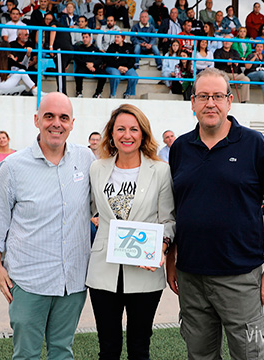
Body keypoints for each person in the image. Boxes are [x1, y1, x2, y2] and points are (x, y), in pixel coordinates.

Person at [166, 67, 264, 359]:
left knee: (250, 355)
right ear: (192, 102)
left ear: (230, 101)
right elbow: (175, 209)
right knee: (200, 355)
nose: (210, 103)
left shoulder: (254, 143)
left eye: (218, 96)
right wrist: (172, 260)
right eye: (203, 96)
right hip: (191, 276)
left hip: (240, 276)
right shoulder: (180, 147)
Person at [0, 93, 94, 359]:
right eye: (49, 116)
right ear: (36, 120)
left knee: (62, 352)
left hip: (73, 282)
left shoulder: (87, 159)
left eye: (63, 118)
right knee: (27, 355)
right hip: (28, 281)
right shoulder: (12, 167)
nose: (56, 123)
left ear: (72, 123)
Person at [86, 104, 174, 359]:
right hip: (103, 271)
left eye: (134, 129)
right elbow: (93, 209)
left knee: (139, 348)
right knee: (108, 348)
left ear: (143, 134)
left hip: (145, 272)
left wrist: (162, 247)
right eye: (120, 129)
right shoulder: (97, 168)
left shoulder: (160, 171)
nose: (127, 135)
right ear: (111, 134)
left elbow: (168, 219)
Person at [214, 35, 251, 103]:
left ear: (231, 43)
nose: (227, 42)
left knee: (246, 79)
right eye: (225, 40)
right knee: (225, 80)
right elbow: (217, 61)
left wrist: (234, 60)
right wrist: (227, 62)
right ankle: (225, 100)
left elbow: (239, 59)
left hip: (235, 74)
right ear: (222, 42)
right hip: (223, 73)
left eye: (229, 41)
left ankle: (243, 101)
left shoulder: (234, 52)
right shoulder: (218, 51)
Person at [73, 33, 107, 98]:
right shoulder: (79, 49)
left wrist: (93, 64)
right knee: (78, 72)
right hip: (83, 67)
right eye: (83, 37)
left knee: (103, 74)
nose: (85, 39)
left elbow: (100, 59)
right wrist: (86, 64)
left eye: (86, 37)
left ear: (90, 38)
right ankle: (79, 92)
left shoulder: (95, 49)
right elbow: (77, 59)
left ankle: (98, 93)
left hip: (93, 68)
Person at [106, 35, 138, 99]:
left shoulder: (129, 46)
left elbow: (132, 59)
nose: (116, 39)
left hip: (126, 67)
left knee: (134, 76)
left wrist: (127, 68)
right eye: (115, 37)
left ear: (123, 38)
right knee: (116, 75)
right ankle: (113, 94)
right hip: (114, 67)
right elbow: (108, 60)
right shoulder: (111, 47)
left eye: (118, 37)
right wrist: (118, 67)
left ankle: (127, 94)